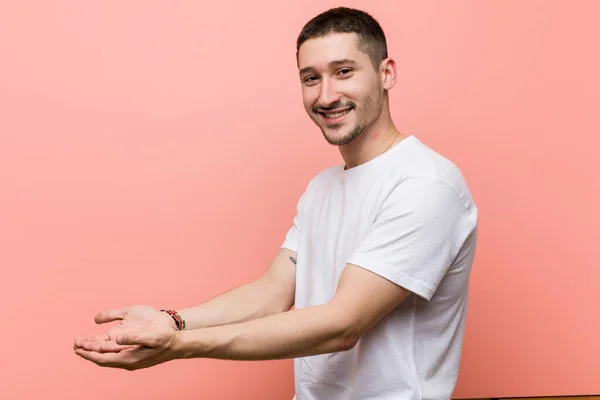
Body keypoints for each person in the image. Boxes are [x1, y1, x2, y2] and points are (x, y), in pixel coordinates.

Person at [74, 6, 478, 400]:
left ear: (386, 73)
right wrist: (172, 320)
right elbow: (270, 293)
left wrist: (177, 345)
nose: (326, 95)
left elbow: (343, 323)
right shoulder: (322, 188)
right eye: (310, 78)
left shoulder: (426, 184)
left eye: (344, 72)